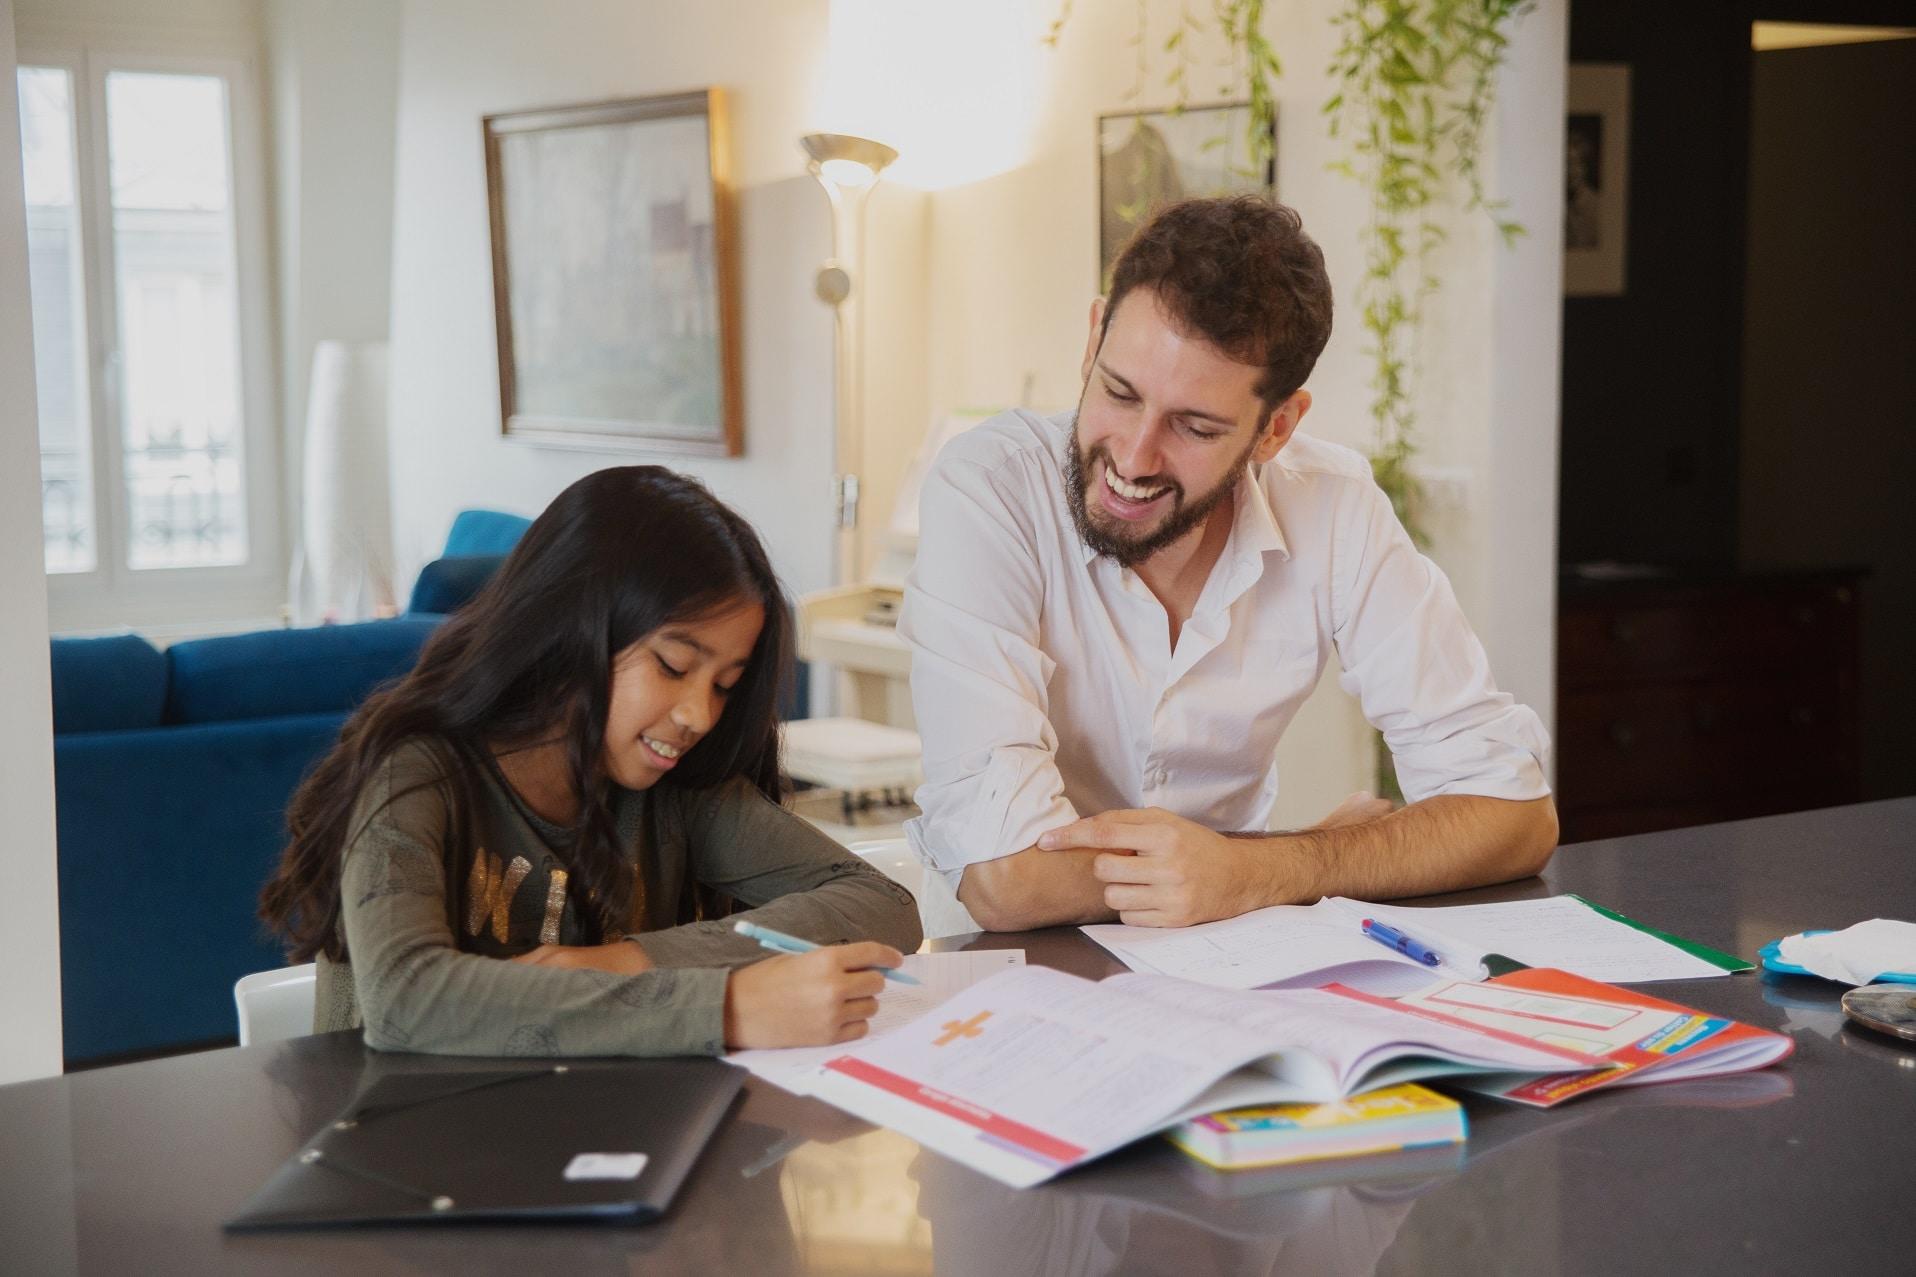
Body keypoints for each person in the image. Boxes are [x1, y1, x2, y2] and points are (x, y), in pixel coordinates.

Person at [902, 196, 1555, 932]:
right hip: (1011, 979)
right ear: (1093, 340)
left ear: (1276, 428)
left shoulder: (1334, 507)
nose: (1134, 455)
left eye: (1194, 426)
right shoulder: (990, 488)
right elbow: (1008, 878)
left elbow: (1514, 814)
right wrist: (1293, 858)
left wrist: (1253, 872)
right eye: (1119, 391)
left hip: (1231, 971)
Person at [259, 466, 922, 1055]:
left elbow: (883, 902)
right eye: (674, 665)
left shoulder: (675, 786)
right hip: (393, 1150)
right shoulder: (413, 771)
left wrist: (629, 959)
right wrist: (723, 1007)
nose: (700, 714)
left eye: (723, 683)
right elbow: (406, 999)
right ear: (572, 625)